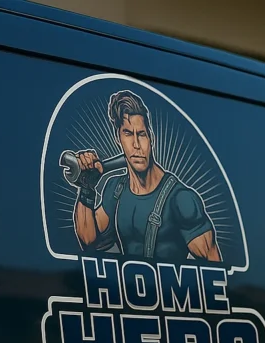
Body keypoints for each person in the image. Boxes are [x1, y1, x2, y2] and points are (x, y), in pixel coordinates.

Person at [70, 89, 222, 262]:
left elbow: (216, 272)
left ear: (151, 138)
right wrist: (86, 189)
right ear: (118, 139)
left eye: (141, 134)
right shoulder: (115, 190)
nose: (136, 144)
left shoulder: (181, 200)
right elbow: (89, 241)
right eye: (128, 134)